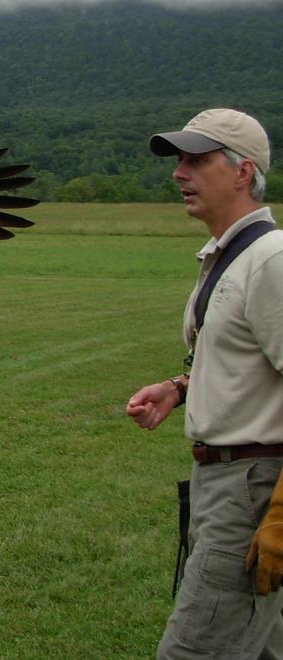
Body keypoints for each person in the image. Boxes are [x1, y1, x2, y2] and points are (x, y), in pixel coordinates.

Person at [126, 108, 283, 658]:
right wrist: (182, 385)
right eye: (179, 160)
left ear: (243, 173)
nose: (178, 173)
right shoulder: (231, 255)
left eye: (197, 160)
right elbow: (254, 360)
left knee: (194, 648)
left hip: (253, 486)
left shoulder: (271, 260)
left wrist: (281, 515)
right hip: (226, 482)